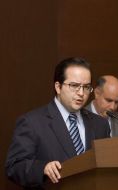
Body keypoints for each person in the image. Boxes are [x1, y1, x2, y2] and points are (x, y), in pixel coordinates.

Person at [5, 57, 110, 189]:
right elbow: (14, 167)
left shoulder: (100, 125)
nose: (81, 93)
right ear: (58, 87)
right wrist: (42, 168)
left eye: (86, 87)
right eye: (74, 86)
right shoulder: (32, 122)